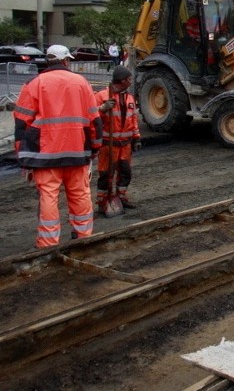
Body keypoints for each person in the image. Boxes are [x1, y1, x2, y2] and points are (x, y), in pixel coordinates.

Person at [13, 44, 103, 248]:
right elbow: (94, 121)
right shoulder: (81, 82)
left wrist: (23, 154)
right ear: (66, 61)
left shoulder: (34, 83)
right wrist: (95, 148)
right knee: (80, 194)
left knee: (48, 197)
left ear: (48, 61)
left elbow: (21, 121)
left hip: (46, 155)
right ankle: (83, 237)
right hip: (77, 152)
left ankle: (48, 243)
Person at [94, 65, 141, 212]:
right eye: (129, 79)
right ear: (121, 80)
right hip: (108, 145)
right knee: (106, 174)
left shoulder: (129, 98)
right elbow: (90, 117)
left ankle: (121, 197)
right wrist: (102, 109)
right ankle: (103, 202)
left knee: (125, 173)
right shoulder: (102, 96)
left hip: (125, 145)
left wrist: (136, 138)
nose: (131, 81)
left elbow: (132, 120)